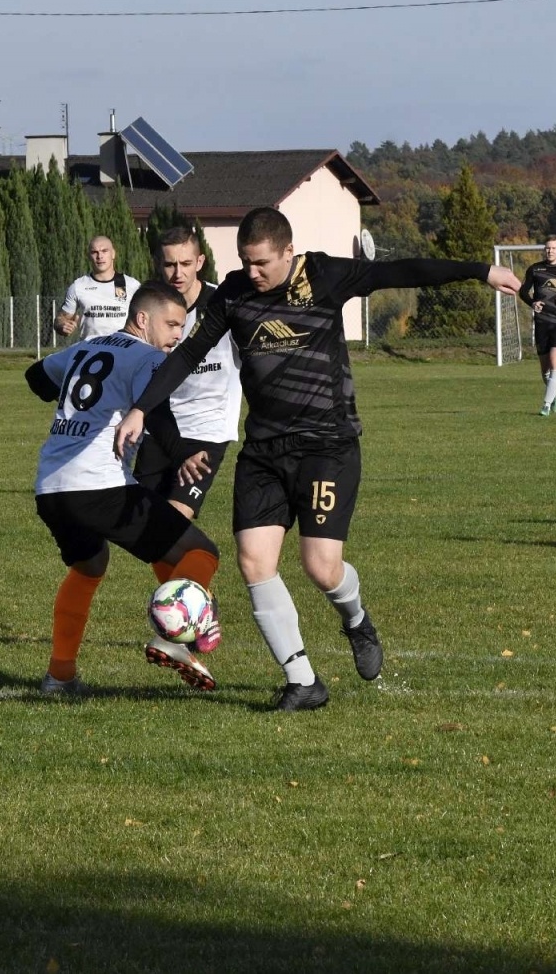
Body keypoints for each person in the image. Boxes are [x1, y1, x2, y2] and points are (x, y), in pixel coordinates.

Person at [115, 207, 521, 711]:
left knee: (321, 567)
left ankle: (356, 620)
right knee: (254, 562)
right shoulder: (235, 292)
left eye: (262, 262)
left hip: (327, 445)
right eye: (245, 261)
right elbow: (186, 354)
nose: (252, 272)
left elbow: (400, 271)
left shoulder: (324, 274)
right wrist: (141, 408)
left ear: (288, 252)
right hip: (264, 451)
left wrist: (482, 271)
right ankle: (303, 682)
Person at [27, 280, 223, 696]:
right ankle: (174, 634)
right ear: (142, 319)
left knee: (90, 566)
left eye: (182, 326)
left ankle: (59, 676)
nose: (178, 335)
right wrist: (182, 454)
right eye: (172, 324)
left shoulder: (86, 347)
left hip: (50, 487)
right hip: (98, 485)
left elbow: (36, 376)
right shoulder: (148, 357)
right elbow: (158, 415)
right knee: (201, 553)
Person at [131, 226, 242, 539]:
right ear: (158, 264)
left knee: (174, 520)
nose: (177, 273)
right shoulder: (150, 308)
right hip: (161, 427)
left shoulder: (224, 305)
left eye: (185, 263)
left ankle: (199, 573)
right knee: (142, 525)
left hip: (208, 430)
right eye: (169, 264)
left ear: (200, 262)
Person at [517, 235, 556, 416]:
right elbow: (523, 291)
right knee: (545, 369)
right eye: (547, 248)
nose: (550, 251)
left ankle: (546, 405)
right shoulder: (535, 269)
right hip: (542, 321)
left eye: (553, 248)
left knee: (555, 360)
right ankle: (555, 392)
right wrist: (532, 303)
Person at [55, 236, 141, 341]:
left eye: (104, 251)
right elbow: (61, 319)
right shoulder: (78, 286)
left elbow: (145, 318)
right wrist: (62, 325)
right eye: (94, 252)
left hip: (123, 347)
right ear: (89, 256)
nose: (99, 256)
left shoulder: (132, 285)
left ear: (113, 254)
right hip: (90, 348)